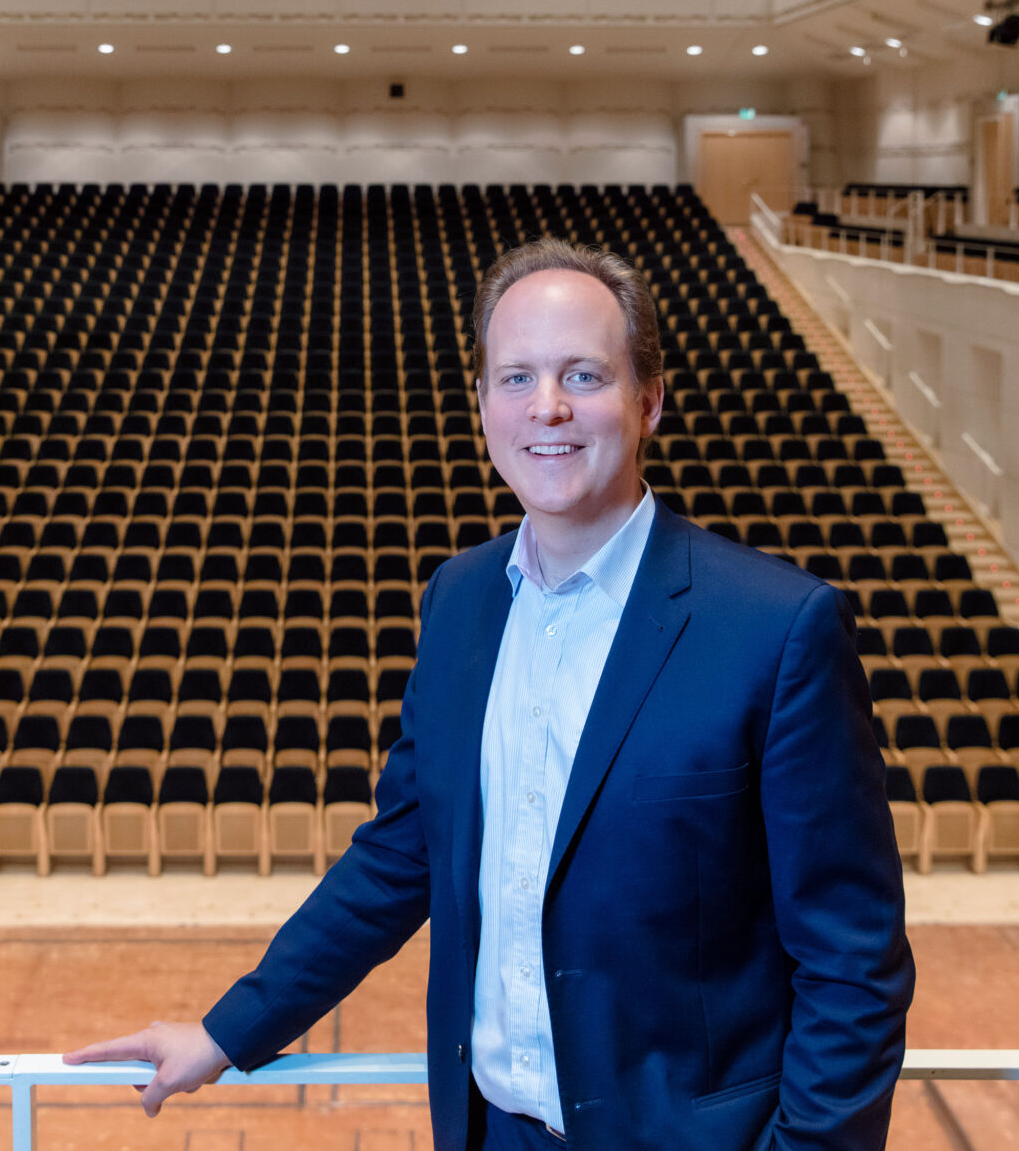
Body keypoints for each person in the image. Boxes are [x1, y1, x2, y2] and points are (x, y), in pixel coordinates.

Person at [65, 238, 914, 1151]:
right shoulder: (460, 601)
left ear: (650, 400)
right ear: (482, 407)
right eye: (515, 378)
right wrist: (229, 1031)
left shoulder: (779, 627)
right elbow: (401, 858)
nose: (546, 407)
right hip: (487, 1133)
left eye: (584, 374)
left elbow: (852, 962)